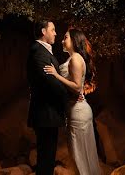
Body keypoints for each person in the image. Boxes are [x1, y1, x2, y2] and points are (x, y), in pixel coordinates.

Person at [44, 29, 101, 175]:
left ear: (75, 40)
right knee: (81, 156)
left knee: (80, 157)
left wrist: (56, 75)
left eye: (66, 37)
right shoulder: (74, 58)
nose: (62, 41)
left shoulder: (75, 58)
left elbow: (76, 87)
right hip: (76, 109)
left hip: (78, 112)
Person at [27, 20, 68, 175]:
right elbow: (50, 82)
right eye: (53, 30)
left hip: (48, 113)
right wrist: (70, 95)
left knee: (48, 155)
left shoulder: (43, 51)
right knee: (46, 156)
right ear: (43, 31)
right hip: (45, 113)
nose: (56, 33)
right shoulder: (38, 52)